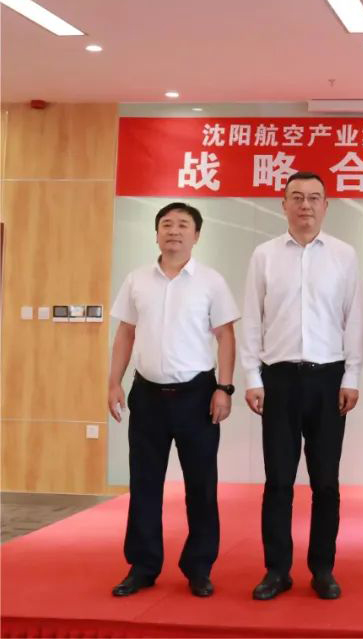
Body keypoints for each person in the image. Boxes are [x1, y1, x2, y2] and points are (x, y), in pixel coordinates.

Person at [240, 172, 363, 601]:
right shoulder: (264, 255)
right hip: (278, 379)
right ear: (284, 205)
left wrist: (352, 376)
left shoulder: (344, 255)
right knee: (278, 480)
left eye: (314, 198)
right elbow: (252, 319)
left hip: (329, 379)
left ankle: (322, 569)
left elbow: (354, 319)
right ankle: (276, 570)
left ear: (326, 206)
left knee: (325, 482)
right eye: (297, 197)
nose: (305, 205)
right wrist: (252, 378)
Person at [107, 202, 239, 598]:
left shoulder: (211, 281)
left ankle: (199, 567)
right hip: (147, 394)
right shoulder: (136, 280)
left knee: (201, 485)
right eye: (167, 224)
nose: (174, 231)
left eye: (183, 225)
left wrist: (225, 388)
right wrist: (113, 382)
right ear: (156, 233)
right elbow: (125, 333)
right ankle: (143, 566)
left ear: (196, 235)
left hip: (197, 395)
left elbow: (226, 336)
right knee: (144, 483)